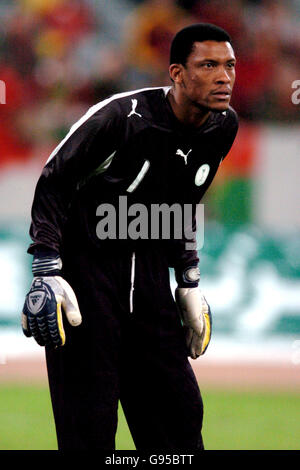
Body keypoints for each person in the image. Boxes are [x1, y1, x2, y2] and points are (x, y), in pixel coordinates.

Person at [21, 23, 238, 451]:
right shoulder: (121, 118)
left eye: (230, 65)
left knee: (178, 437)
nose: (224, 77)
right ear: (177, 73)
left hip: (154, 293)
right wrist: (46, 269)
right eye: (209, 65)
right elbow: (53, 181)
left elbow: (184, 201)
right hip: (86, 290)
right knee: (88, 437)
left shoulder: (223, 127)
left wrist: (189, 279)